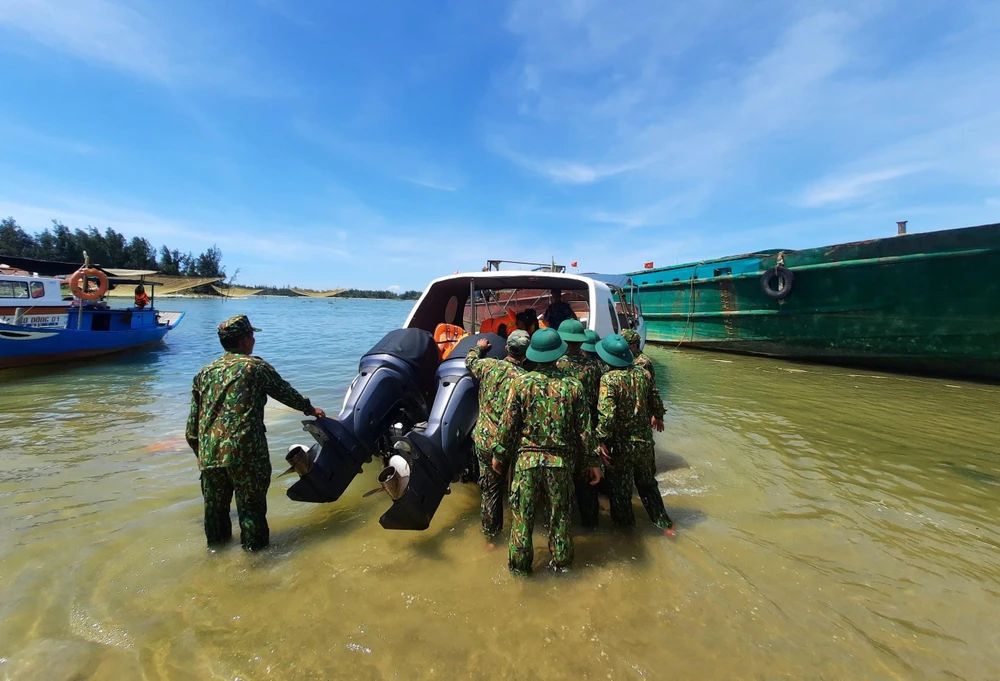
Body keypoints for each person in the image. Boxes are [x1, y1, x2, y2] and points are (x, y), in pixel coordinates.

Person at [185, 314, 326, 551]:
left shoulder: (204, 373)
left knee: (215, 511)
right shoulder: (254, 367)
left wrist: (203, 454)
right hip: (246, 453)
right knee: (251, 509)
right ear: (244, 340)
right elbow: (285, 392)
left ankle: (215, 560)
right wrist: (309, 409)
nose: (253, 340)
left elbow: (192, 428)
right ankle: (256, 565)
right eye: (251, 335)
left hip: (209, 456)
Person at [493, 328, 601, 575]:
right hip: (560, 464)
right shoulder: (572, 386)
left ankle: (519, 573)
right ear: (558, 354)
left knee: (522, 520)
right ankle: (563, 569)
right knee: (560, 519)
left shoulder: (521, 384)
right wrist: (594, 462)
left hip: (527, 463)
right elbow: (584, 429)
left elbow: (508, 425)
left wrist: (499, 456)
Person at [595, 333, 673, 533]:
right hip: (645, 441)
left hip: (621, 445)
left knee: (620, 491)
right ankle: (665, 525)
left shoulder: (609, 379)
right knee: (648, 485)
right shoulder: (642, 373)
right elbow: (656, 400)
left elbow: (607, 416)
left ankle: (627, 534)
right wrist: (658, 416)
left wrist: (600, 440)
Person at [464, 330, 529, 540]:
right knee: (516, 488)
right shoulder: (525, 380)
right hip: (511, 444)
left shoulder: (488, 366)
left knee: (490, 490)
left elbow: (470, 360)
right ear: (526, 355)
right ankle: (519, 534)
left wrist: (480, 347)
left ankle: (491, 537)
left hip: (484, 439)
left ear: (506, 349)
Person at [554, 319, 603, 527]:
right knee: (587, 483)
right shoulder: (593, 367)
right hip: (586, 431)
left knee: (560, 483)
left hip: (560, 434)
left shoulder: (555, 364)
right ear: (580, 342)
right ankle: (591, 524)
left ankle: (562, 528)